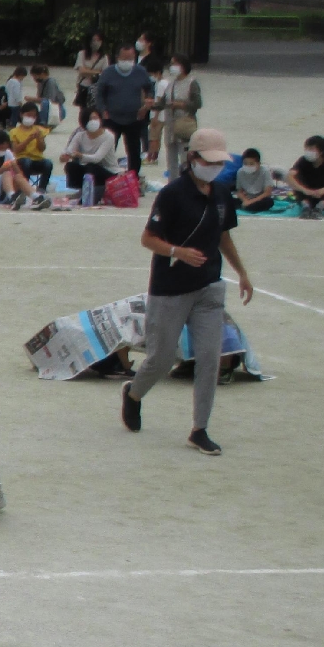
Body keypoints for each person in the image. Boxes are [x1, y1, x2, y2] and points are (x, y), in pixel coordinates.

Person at [122, 127, 253, 456]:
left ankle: (200, 428)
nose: (214, 168)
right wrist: (177, 252)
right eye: (208, 161)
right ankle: (134, 394)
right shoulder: (172, 194)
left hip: (210, 288)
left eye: (219, 162)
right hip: (171, 289)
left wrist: (242, 273)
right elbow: (148, 239)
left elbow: (224, 236)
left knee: (209, 359)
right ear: (191, 158)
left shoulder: (222, 194)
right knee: (161, 359)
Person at [93, 43, 154, 175]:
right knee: (107, 149)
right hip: (111, 118)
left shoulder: (140, 72)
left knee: (134, 151)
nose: (127, 62)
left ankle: (133, 177)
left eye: (130, 59)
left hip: (134, 118)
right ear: (117, 58)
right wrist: (103, 110)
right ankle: (105, 176)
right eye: (124, 58)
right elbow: (99, 93)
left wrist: (148, 102)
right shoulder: (108, 73)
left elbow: (150, 88)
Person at [155, 54, 203, 177]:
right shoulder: (171, 84)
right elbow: (163, 103)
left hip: (184, 125)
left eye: (174, 64)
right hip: (170, 126)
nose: (171, 67)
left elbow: (197, 103)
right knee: (171, 161)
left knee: (185, 159)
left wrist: (181, 104)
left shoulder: (191, 83)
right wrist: (151, 104)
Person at [58, 114, 120, 203]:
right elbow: (69, 151)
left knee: (91, 166)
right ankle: (81, 190)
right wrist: (65, 156)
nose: (93, 121)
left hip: (109, 171)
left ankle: (97, 191)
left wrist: (80, 155)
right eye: (90, 119)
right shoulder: (80, 135)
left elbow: (97, 158)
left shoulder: (108, 136)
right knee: (71, 166)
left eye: (95, 118)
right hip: (89, 168)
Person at [0, 129, 42, 209]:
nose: (2, 150)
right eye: (0, 148)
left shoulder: (7, 153)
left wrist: (14, 165)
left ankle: (35, 197)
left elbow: (19, 173)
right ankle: (12, 197)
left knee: (17, 176)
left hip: (3, 185)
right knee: (6, 173)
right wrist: (1, 170)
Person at [287, 135, 324, 217]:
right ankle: (306, 207)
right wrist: (304, 190)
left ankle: (320, 208)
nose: (308, 152)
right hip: (309, 195)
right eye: (306, 149)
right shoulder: (303, 161)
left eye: (311, 149)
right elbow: (290, 176)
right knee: (296, 177)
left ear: (321, 152)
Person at [7, 105, 51, 192]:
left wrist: (39, 138)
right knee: (26, 162)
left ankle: (42, 189)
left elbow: (42, 149)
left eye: (33, 116)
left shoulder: (39, 130)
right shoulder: (14, 132)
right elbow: (16, 150)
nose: (31, 118)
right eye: (28, 115)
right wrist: (28, 139)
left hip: (37, 159)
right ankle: (25, 187)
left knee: (48, 163)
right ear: (21, 115)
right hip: (21, 160)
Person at [233, 147, 275, 213]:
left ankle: (246, 207)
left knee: (269, 202)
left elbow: (267, 193)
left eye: (251, 164)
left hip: (260, 199)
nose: (248, 166)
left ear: (258, 163)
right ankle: (247, 207)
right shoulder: (240, 172)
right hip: (247, 198)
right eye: (245, 163)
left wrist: (251, 202)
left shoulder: (265, 171)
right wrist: (245, 200)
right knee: (229, 201)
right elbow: (239, 191)